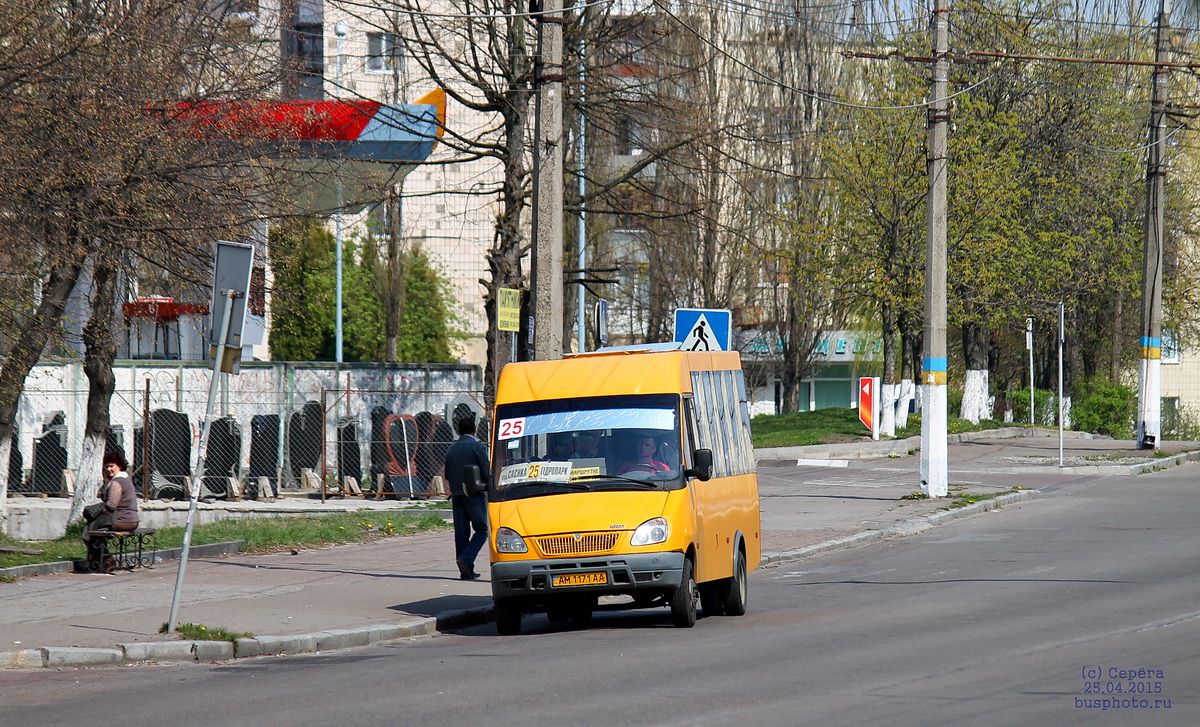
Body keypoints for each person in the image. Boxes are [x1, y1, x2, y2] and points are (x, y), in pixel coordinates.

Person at [443, 415, 489, 580]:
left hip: (456, 494)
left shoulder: (452, 448)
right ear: (474, 429)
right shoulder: (476, 446)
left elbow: (447, 473)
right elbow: (485, 469)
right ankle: (466, 559)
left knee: (461, 532)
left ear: (458, 430)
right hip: (474, 494)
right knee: (482, 530)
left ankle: (465, 569)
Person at [83, 451, 140, 571]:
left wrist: (97, 512)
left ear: (119, 465)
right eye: (107, 466)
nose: (109, 469)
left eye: (111, 466)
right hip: (132, 519)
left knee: (88, 528)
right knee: (94, 528)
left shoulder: (116, 482)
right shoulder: (126, 479)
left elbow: (111, 506)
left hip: (121, 519)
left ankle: (106, 560)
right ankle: (102, 559)